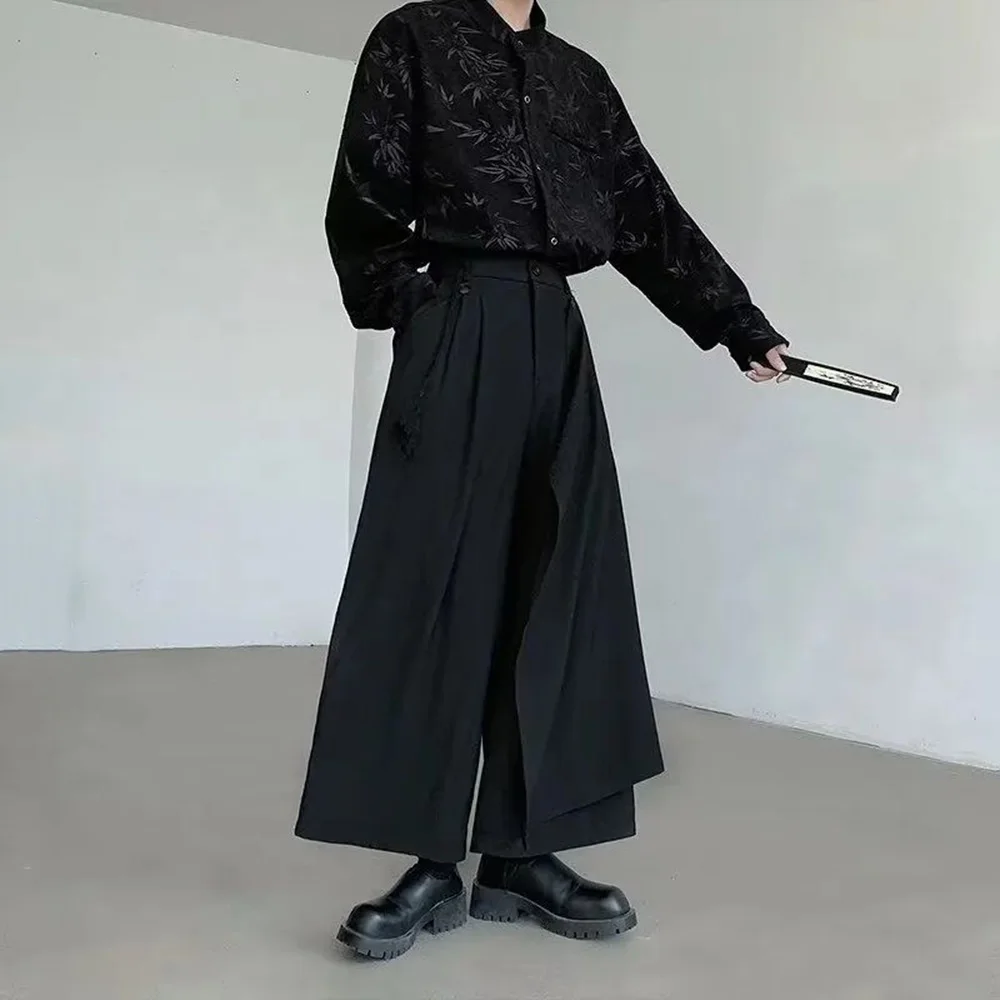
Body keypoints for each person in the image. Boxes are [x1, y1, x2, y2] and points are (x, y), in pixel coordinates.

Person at [296, 0, 791, 960]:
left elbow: (645, 211)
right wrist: (420, 309)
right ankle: (429, 859)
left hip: (555, 334)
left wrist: (737, 324)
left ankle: (523, 854)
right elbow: (361, 199)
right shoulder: (415, 37)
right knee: (437, 586)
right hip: (459, 320)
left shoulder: (580, 77)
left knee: (560, 589)